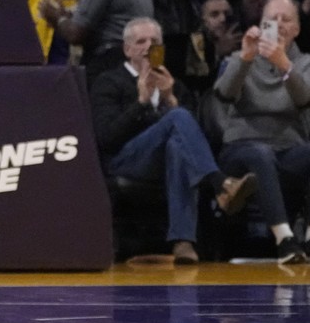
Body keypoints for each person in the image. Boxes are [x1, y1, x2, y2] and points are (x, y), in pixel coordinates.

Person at [89, 17, 257, 264]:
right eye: (140, 41)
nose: (148, 46)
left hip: (164, 160)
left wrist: (170, 99)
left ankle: (183, 243)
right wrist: (141, 103)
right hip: (125, 160)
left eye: (154, 41)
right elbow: (107, 138)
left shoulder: (174, 86)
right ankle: (221, 184)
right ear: (127, 49)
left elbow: (195, 140)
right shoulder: (109, 81)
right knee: (178, 118)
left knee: (178, 147)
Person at [214, 0, 310, 264]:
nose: (280, 24)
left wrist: (284, 64)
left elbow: (305, 99)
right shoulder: (240, 56)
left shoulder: (308, 62)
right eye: (273, 19)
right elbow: (224, 93)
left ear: (296, 29)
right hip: (242, 148)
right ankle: (284, 238)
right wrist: (246, 59)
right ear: (260, 25)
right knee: (261, 154)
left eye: (287, 19)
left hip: (287, 150)